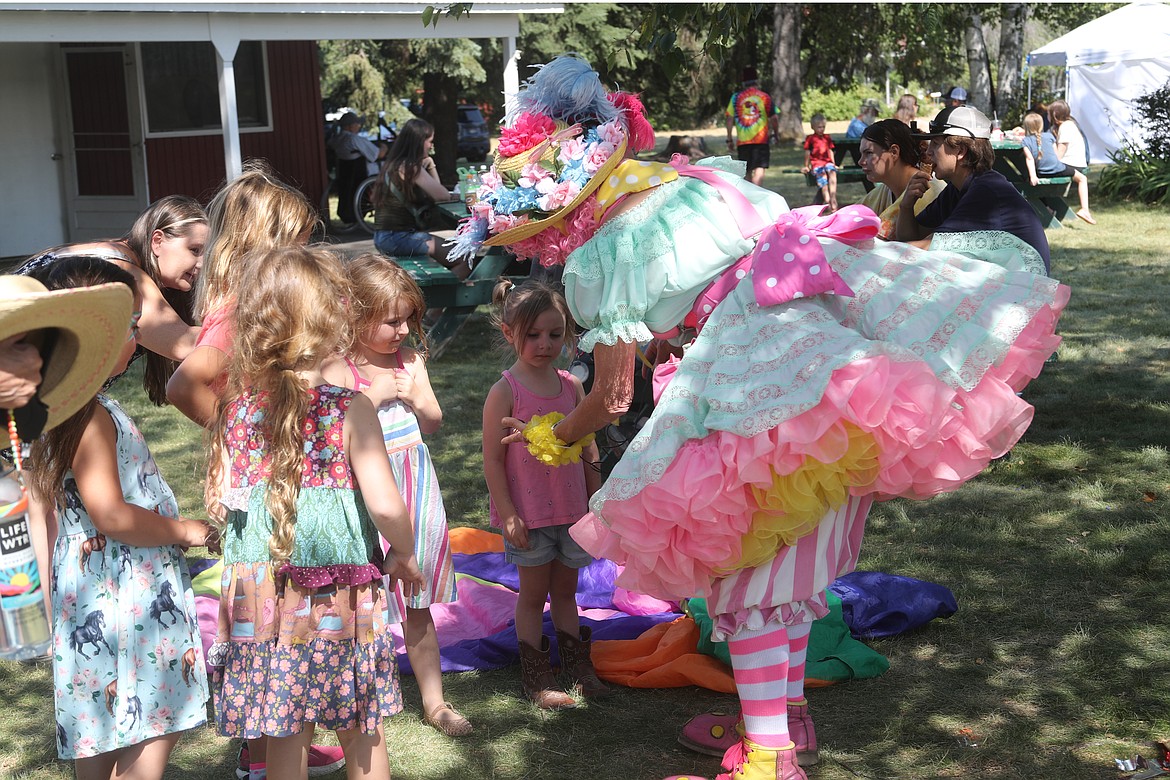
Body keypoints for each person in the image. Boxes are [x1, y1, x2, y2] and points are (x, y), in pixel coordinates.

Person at [452, 54, 1068, 780]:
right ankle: (783, 724)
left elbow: (611, 397)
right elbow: (719, 276)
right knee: (787, 575)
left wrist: (559, 435)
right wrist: (669, 339)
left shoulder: (610, 247)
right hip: (830, 370)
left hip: (763, 383)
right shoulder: (697, 179)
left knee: (751, 582)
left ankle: (770, 757)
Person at [205, 245, 425, 780]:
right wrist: (404, 550)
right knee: (361, 725)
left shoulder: (235, 410)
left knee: (285, 727)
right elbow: (385, 503)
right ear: (332, 320)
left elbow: (221, 501)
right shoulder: (349, 407)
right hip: (336, 592)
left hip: (259, 593)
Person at [164, 165, 345, 779]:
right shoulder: (240, 308)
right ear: (263, 238)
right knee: (266, 612)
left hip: (273, 477)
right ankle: (263, 752)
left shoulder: (248, 301)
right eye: (292, 237)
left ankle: (275, 743)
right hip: (258, 483)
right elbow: (185, 381)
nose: (302, 250)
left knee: (276, 608)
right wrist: (231, 431)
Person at [24, 256, 213, 780]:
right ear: (92, 336)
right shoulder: (90, 417)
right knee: (151, 729)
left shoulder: (56, 408)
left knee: (101, 733)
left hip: (87, 592)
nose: (137, 336)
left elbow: (51, 518)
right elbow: (111, 514)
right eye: (131, 326)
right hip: (129, 591)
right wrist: (190, 531)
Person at [320, 254, 471, 738]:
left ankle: (434, 700)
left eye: (409, 318)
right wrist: (374, 397)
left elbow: (432, 421)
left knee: (417, 596)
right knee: (358, 596)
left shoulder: (412, 362)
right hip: (361, 491)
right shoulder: (340, 368)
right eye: (392, 320)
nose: (404, 329)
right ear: (356, 316)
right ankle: (360, 695)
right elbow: (332, 431)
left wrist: (420, 399)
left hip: (413, 482)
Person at [481, 278, 606, 710]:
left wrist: (595, 500)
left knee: (568, 593)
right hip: (530, 516)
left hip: (572, 513)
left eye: (555, 334)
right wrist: (509, 514)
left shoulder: (571, 386)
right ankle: (536, 676)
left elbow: (588, 445)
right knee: (533, 596)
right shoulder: (504, 392)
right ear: (509, 333)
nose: (544, 343)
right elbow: (494, 461)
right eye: (532, 335)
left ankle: (577, 665)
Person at [19, 196, 209, 404]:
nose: (201, 263)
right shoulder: (124, 274)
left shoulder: (117, 258)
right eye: (194, 250)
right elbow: (184, 344)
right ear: (157, 241)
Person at [167, 163, 317, 427]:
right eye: (297, 248)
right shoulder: (239, 314)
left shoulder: (261, 307)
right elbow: (183, 386)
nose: (305, 258)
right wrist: (241, 438)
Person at [897, 105, 1052, 274]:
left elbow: (923, 250)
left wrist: (879, 251)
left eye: (935, 144)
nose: (928, 152)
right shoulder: (957, 188)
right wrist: (906, 206)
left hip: (1025, 291)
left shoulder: (985, 192)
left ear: (961, 151)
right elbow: (913, 238)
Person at [370, 118, 465, 277]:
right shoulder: (410, 167)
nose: (431, 146)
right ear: (419, 142)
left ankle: (440, 295)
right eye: (429, 141)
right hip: (399, 237)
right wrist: (431, 165)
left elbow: (437, 193)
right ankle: (439, 298)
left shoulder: (394, 164)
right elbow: (442, 195)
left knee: (454, 254)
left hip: (384, 236)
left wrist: (429, 164)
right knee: (464, 257)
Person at [858, 119, 947, 239]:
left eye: (868, 153)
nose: (861, 161)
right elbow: (851, 217)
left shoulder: (929, 190)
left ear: (894, 152)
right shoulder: (886, 189)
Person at [1020, 111, 1095, 226]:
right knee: (1082, 179)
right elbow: (1056, 157)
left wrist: (1033, 176)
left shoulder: (1025, 141)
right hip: (1058, 169)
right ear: (1041, 125)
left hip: (1041, 172)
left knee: (1027, 181)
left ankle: (1047, 209)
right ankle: (1084, 209)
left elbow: (1029, 160)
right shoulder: (1049, 136)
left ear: (1026, 127)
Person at [725, 66, 781, 186]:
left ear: (743, 82)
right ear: (756, 80)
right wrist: (776, 134)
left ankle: (750, 195)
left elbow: (729, 119)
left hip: (743, 142)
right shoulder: (765, 97)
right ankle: (755, 193)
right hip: (761, 140)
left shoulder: (736, 98)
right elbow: (774, 118)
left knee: (747, 171)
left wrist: (729, 139)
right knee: (760, 168)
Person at [330, 111, 384, 226]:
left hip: (346, 173)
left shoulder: (336, 140)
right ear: (349, 126)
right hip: (366, 174)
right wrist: (385, 147)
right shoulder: (354, 139)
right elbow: (379, 154)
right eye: (357, 124)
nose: (359, 126)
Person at [1047, 99, 1095, 225]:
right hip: (1078, 163)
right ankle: (1051, 208)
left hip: (1071, 164)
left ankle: (1084, 209)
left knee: (1041, 171)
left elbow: (1058, 155)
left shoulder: (1065, 127)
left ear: (1054, 115)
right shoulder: (1070, 124)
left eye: (1049, 113)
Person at [802, 113, 838, 211]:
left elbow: (830, 150)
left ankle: (833, 198)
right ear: (812, 127)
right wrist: (806, 165)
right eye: (819, 127)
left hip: (827, 162)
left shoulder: (827, 137)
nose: (821, 129)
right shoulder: (810, 138)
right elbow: (807, 152)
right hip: (817, 164)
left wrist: (833, 163)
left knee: (832, 173)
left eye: (823, 127)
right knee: (823, 180)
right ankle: (828, 201)